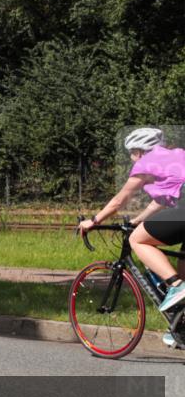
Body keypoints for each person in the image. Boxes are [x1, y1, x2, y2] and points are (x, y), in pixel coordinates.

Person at [78, 128, 185, 347]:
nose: (131, 158)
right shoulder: (176, 155)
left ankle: (176, 285)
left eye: (132, 153)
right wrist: (138, 220)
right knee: (183, 257)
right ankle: (180, 325)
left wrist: (94, 220)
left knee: (138, 239)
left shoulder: (146, 162)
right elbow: (162, 200)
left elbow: (120, 199)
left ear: (139, 151)